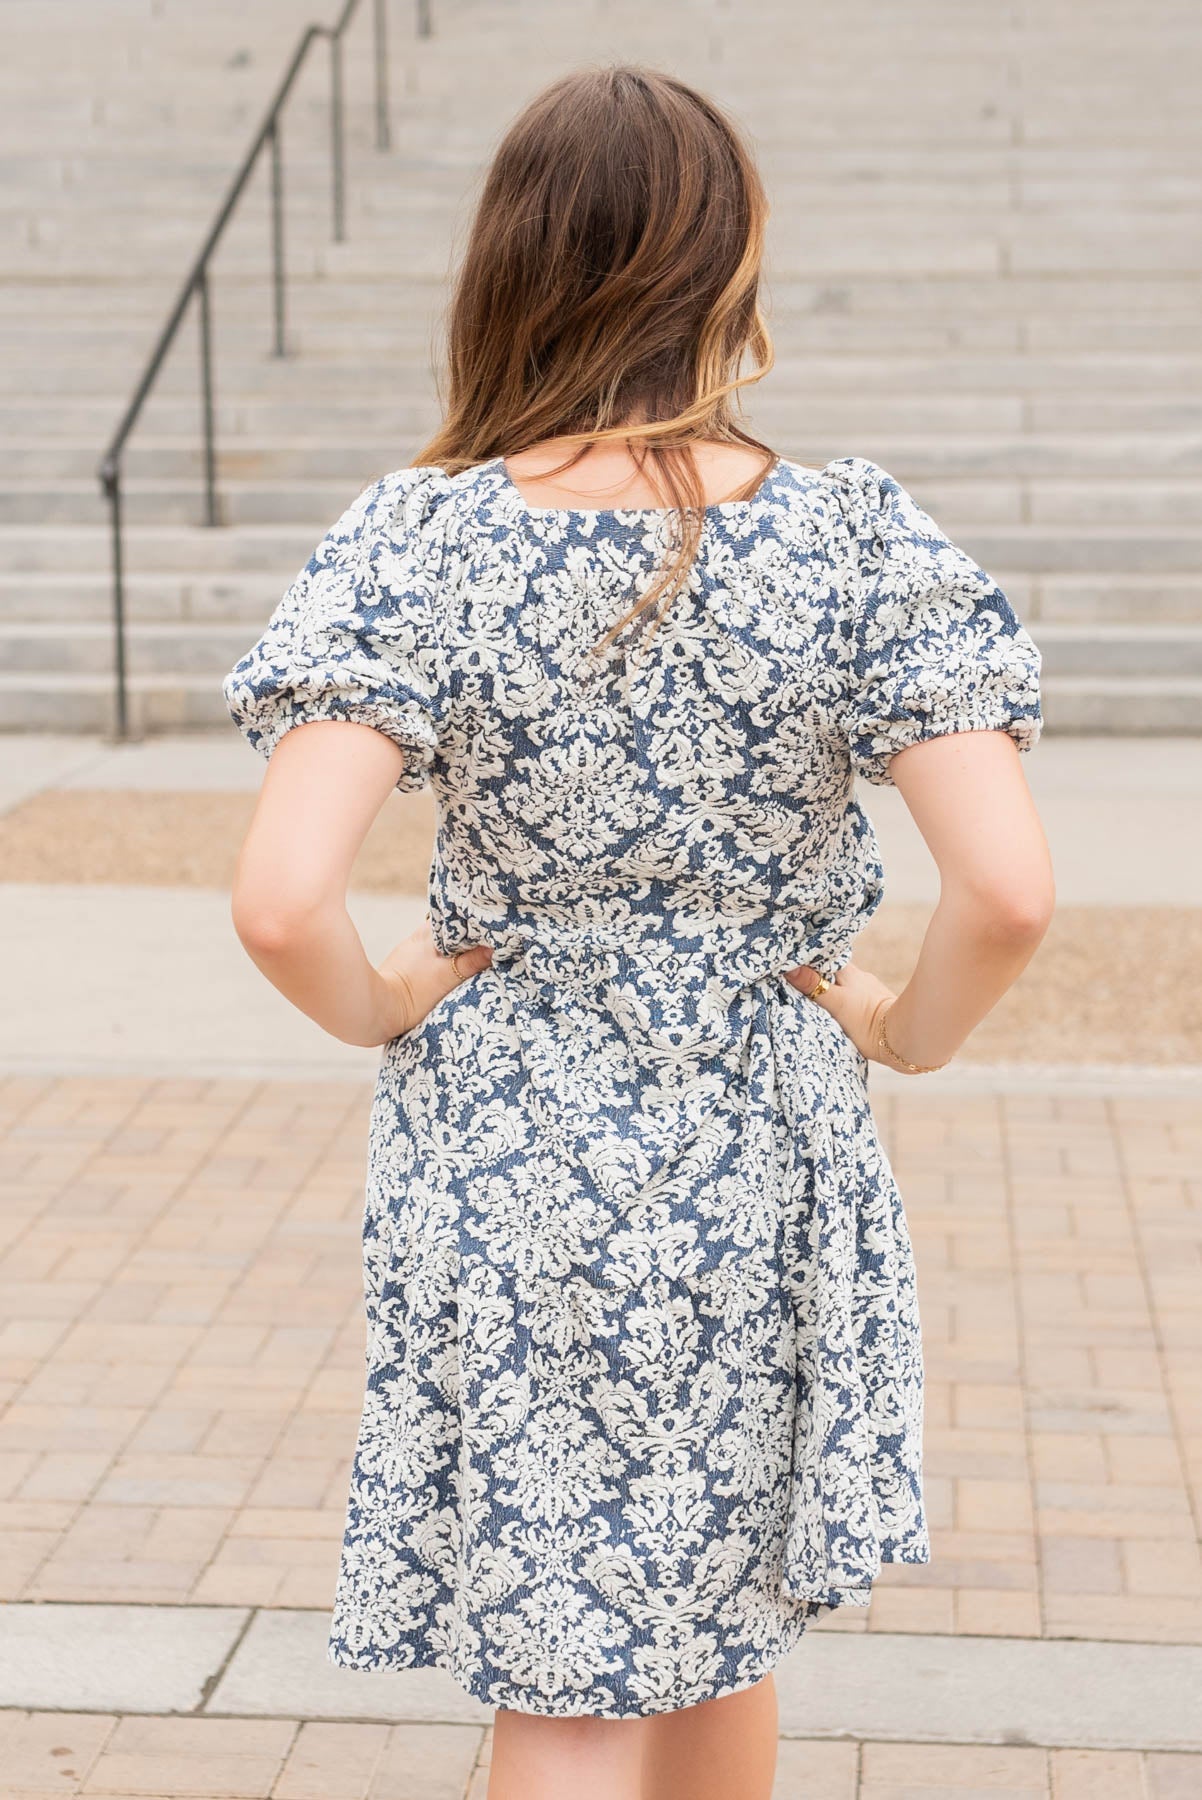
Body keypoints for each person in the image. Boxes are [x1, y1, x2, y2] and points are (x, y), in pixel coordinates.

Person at [222, 62, 1055, 1800]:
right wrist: (897, 1028)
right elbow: (1009, 892)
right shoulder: (847, 538)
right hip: (758, 1137)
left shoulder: (422, 537)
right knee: (705, 1619)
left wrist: (382, 1001)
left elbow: (283, 901)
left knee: (583, 1660)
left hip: (510, 1148)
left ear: (508, 263)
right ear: (726, 260)